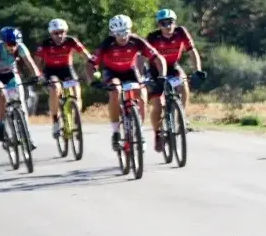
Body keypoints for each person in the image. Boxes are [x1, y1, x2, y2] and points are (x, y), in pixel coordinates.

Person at [87, 14, 167, 151]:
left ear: (130, 30)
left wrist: (162, 76)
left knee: (142, 92)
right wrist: (92, 81)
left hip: (130, 70)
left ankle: (139, 131)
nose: (123, 36)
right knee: (115, 91)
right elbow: (90, 63)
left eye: (125, 32)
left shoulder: (136, 41)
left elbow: (158, 58)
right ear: (112, 33)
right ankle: (116, 132)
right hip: (112, 72)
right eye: (118, 33)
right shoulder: (107, 43)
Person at [145, 9, 207, 151]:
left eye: (170, 22)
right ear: (158, 25)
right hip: (156, 71)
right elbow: (142, 57)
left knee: (184, 84)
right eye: (163, 23)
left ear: (175, 23)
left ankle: (181, 117)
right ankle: (158, 134)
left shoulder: (181, 32)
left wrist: (197, 70)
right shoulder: (153, 37)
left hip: (173, 67)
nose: (167, 26)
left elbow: (192, 51)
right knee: (157, 105)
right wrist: (143, 75)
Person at [0, 26, 44, 148]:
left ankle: (28, 137)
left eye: (15, 44)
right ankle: (1, 124)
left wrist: (37, 76)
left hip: (11, 73)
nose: (13, 47)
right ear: (3, 42)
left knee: (22, 105)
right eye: (10, 44)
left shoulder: (21, 47)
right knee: (2, 94)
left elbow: (30, 62)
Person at [34, 18, 93, 138]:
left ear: (65, 32)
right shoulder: (45, 44)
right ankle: (55, 120)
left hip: (67, 69)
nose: (59, 35)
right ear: (51, 34)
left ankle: (77, 120)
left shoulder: (71, 41)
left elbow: (85, 55)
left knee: (76, 93)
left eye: (62, 32)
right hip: (51, 70)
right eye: (56, 33)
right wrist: (39, 75)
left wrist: (93, 65)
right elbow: (38, 61)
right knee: (55, 88)